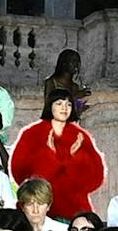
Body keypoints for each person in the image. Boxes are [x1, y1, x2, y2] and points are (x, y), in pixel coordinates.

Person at [9, 86, 105, 222]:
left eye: (69, 104)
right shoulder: (32, 134)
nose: (64, 108)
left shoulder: (81, 136)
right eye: (59, 103)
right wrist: (50, 156)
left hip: (74, 209)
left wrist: (74, 159)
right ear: (50, 106)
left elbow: (96, 177)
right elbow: (18, 172)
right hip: (37, 207)